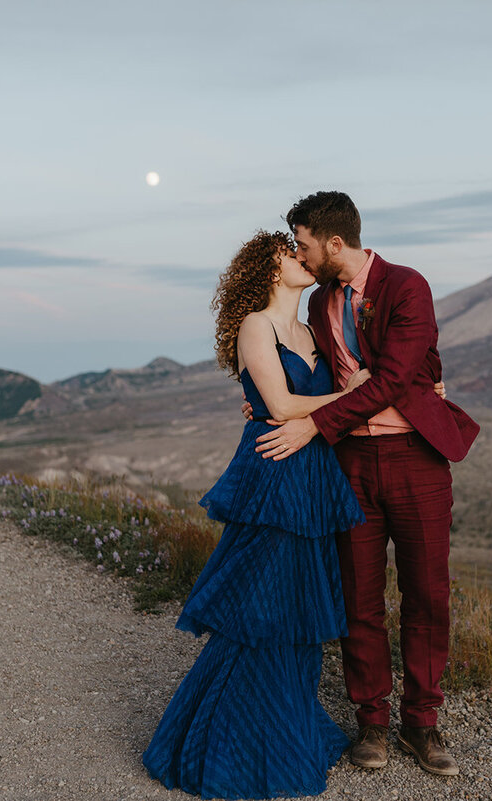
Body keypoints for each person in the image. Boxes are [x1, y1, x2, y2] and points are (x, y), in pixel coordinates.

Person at [254, 192, 479, 778]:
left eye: (303, 243)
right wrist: (269, 408)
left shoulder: (407, 286)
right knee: (359, 598)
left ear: (334, 243)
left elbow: (394, 378)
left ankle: (422, 725)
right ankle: (372, 722)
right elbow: (318, 373)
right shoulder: (321, 303)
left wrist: (311, 427)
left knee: (428, 595)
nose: (298, 254)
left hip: (415, 461)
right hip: (351, 463)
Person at [140, 230, 369, 798]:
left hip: (312, 476)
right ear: (268, 270)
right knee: (260, 607)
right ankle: (228, 740)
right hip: (274, 478)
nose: (301, 257)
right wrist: (352, 395)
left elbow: (296, 402)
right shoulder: (256, 326)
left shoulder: (311, 329)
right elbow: (284, 406)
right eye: (290, 252)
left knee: (298, 607)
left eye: (302, 249)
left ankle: (284, 722)